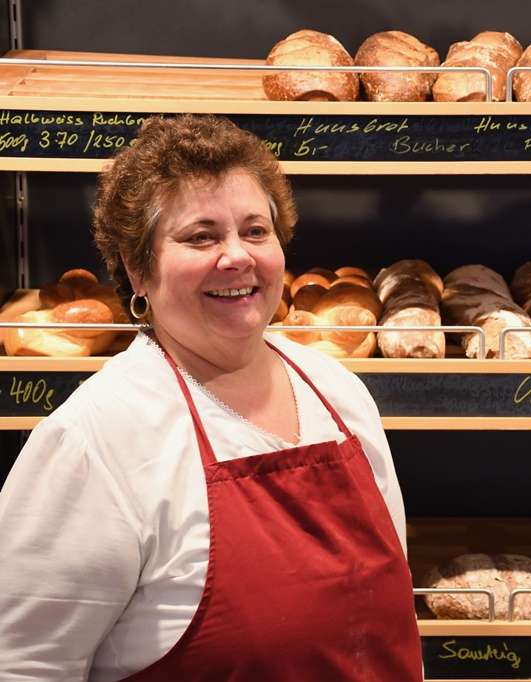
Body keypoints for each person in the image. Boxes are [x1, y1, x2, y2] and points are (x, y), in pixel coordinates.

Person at [0, 115, 423, 681]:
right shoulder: (95, 439)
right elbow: (24, 665)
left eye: (255, 231)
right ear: (138, 270)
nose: (237, 256)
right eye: (201, 236)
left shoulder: (338, 394)